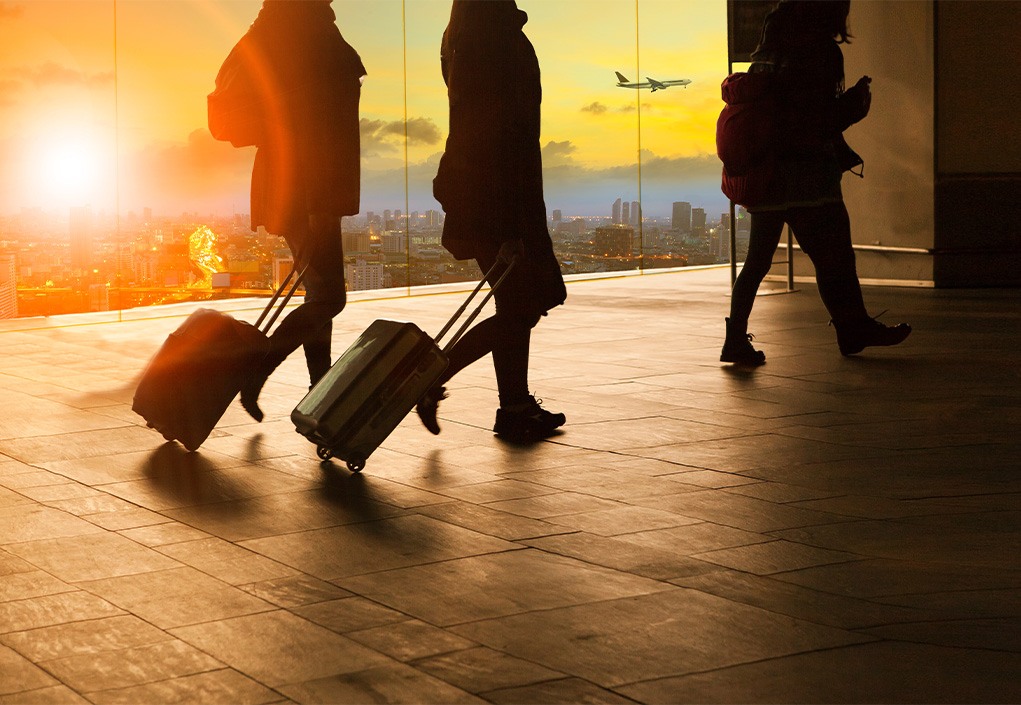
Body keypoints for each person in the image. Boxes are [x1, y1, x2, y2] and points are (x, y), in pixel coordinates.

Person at [721, 0, 910, 365]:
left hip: (767, 171)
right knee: (835, 255)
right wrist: (855, 104)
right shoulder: (820, 51)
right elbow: (817, 119)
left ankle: (734, 340)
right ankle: (852, 328)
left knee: (757, 261)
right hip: (808, 175)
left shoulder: (767, 51)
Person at [415, 0, 567, 443]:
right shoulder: (496, 40)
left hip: (481, 190)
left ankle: (515, 406)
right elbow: (505, 136)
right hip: (501, 197)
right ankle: (432, 377)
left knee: (516, 304)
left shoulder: (464, 36)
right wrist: (514, 228)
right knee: (521, 305)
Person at [233, 0, 366, 421]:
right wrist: (319, 203)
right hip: (309, 188)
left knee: (320, 295)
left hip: (297, 184)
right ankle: (259, 366)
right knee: (330, 298)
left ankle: (318, 389)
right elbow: (317, 125)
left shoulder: (287, 27)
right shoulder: (308, 32)